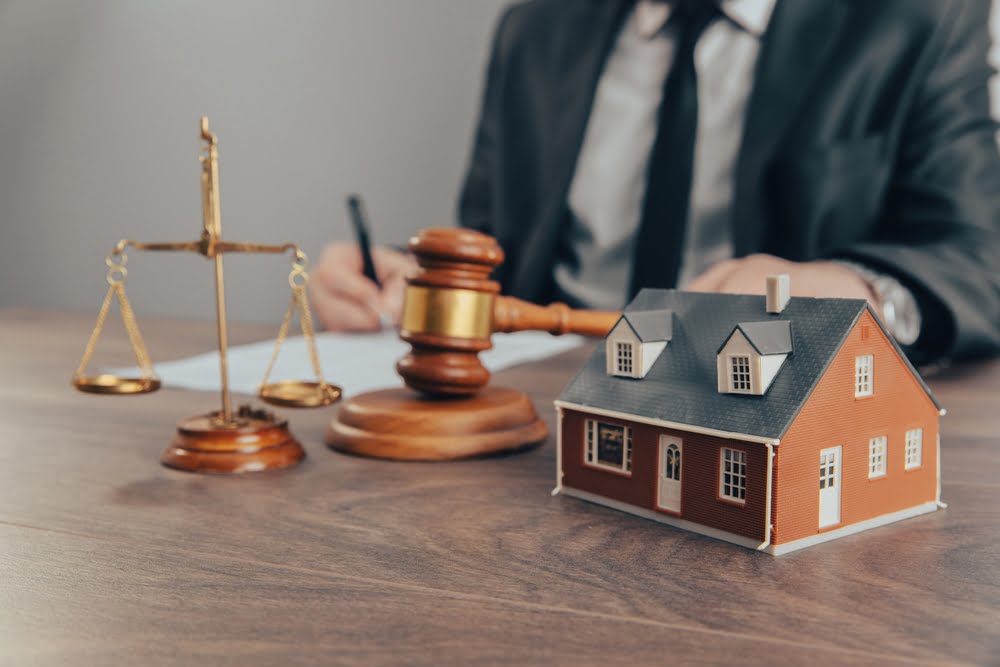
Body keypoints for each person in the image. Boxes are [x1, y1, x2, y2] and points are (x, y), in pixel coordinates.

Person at [312, 0, 1000, 364]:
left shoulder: (921, 19)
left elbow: (979, 262)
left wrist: (860, 288)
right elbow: (495, 251)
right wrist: (412, 282)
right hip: (552, 409)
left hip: (745, 399)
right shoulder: (534, 31)